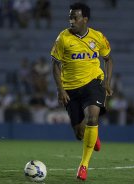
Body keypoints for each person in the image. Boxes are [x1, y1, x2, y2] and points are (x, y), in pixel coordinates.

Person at [50, 2, 113, 181]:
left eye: (75, 17)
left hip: (94, 83)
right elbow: (55, 64)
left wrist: (107, 82)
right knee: (79, 133)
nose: (71, 20)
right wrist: (60, 89)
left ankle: (83, 166)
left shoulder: (98, 37)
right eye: (70, 17)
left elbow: (108, 59)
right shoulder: (63, 38)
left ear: (85, 19)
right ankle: (93, 136)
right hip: (70, 88)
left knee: (93, 116)